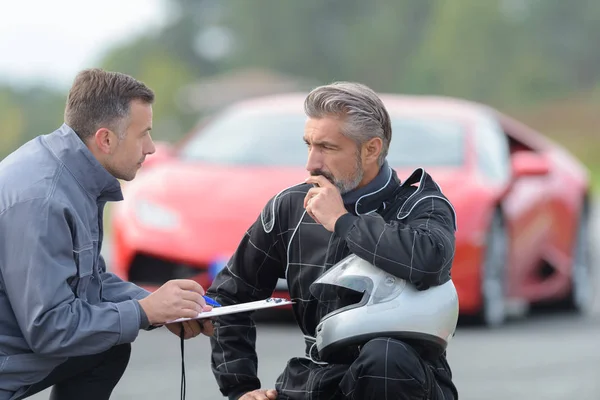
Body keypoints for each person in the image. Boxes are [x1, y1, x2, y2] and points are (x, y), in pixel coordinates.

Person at [207, 82, 460, 400]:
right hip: (315, 381)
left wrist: (343, 223)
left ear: (371, 149)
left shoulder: (421, 204)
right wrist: (241, 389)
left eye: (327, 148)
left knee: (385, 357)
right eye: (309, 145)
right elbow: (229, 299)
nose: (311, 163)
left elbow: (429, 260)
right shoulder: (289, 207)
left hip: (404, 380)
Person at [0, 68, 213, 400]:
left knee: (107, 347)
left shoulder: (71, 173)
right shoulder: (44, 202)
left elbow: (91, 282)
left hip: (15, 345)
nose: (152, 147)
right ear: (106, 139)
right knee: (105, 342)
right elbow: (49, 329)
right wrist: (145, 312)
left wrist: (159, 305)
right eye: (143, 134)